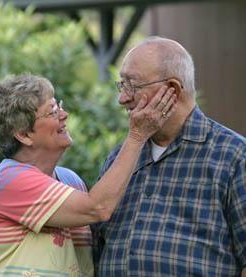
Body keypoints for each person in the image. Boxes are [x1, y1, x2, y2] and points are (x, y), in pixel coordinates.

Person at [0, 74, 176, 276]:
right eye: (52, 111)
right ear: (24, 135)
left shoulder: (70, 180)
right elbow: (98, 207)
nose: (64, 114)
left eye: (58, 105)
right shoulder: (6, 180)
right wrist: (137, 135)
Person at [92, 36, 246, 276]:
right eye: (121, 85)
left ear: (172, 89)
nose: (122, 98)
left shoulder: (234, 156)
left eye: (132, 84)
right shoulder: (117, 161)